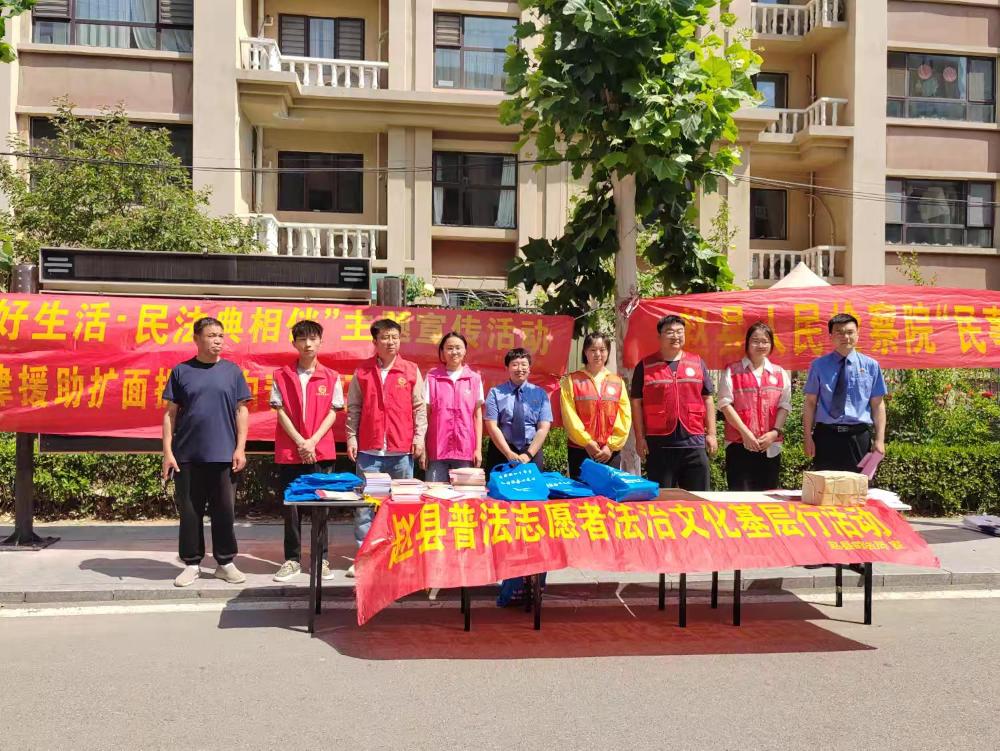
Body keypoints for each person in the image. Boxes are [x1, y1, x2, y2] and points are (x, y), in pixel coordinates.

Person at [162, 316, 252, 588]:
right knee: (190, 513)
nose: (218, 341)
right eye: (212, 335)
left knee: (224, 512)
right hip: (187, 456)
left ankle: (225, 563)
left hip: (224, 454)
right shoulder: (181, 371)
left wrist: (240, 448)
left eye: (221, 336)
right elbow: (170, 414)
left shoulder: (232, 372)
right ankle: (192, 564)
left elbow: (242, 411)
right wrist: (168, 452)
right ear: (196, 339)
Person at [345, 318, 426, 576]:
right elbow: (354, 407)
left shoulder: (410, 370)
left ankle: (400, 555)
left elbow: (419, 408)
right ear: (375, 341)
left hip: (401, 450)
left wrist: (419, 437)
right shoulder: (363, 372)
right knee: (365, 507)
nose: (391, 342)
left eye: (395, 337)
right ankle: (365, 556)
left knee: (402, 505)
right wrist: (351, 437)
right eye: (385, 337)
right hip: (370, 450)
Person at [270, 320, 345, 583]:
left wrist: (312, 441)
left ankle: (320, 559)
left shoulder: (332, 376)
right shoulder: (281, 375)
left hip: (320, 450)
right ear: (294, 343)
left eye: (313, 339)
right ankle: (291, 560)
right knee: (291, 507)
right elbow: (280, 411)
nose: (308, 344)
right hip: (290, 451)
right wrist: (301, 442)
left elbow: (333, 412)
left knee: (321, 508)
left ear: (321, 342)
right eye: (302, 339)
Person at [630, 314, 718, 490]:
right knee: (663, 498)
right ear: (659, 337)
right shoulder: (645, 366)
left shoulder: (697, 362)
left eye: (680, 332)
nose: (675, 336)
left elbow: (708, 399)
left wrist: (712, 434)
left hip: (693, 441)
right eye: (670, 332)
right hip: (660, 443)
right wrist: (640, 438)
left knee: (699, 498)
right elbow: (636, 403)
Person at [803, 313, 887, 472]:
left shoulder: (871, 366)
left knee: (858, 484)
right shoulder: (818, 366)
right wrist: (807, 437)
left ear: (858, 334)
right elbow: (810, 403)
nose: (845, 337)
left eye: (850, 332)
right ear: (830, 336)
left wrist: (880, 439)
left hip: (858, 436)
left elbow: (878, 405)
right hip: (826, 436)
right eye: (839, 332)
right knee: (826, 484)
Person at [717, 322, 792, 491]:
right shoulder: (733, 371)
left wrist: (774, 432)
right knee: (740, 496)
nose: (760, 345)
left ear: (771, 344)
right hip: (739, 443)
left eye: (765, 341)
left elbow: (784, 405)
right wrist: (745, 434)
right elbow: (725, 404)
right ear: (747, 343)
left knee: (768, 496)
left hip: (769, 444)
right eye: (755, 341)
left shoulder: (779, 372)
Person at [559, 332, 632, 479]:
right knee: (581, 491)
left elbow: (624, 416)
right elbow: (569, 415)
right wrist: (587, 442)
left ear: (608, 352)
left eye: (602, 349)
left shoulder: (617, 382)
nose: (598, 354)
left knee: (608, 491)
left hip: (609, 453)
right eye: (593, 350)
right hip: (580, 449)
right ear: (585, 352)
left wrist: (611, 446)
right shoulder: (572, 380)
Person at [422, 331, 484, 482]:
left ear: (465, 350)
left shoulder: (474, 379)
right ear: (442, 351)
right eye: (449, 348)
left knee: (464, 494)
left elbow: (477, 416)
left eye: (458, 348)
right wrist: (423, 448)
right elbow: (424, 415)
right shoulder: (432, 378)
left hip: (465, 448)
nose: (454, 352)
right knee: (435, 492)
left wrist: (478, 449)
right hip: (437, 449)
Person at [484, 347, 553, 476]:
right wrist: (508, 453)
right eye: (515, 364)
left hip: (531, 449)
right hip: (502, 449)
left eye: (524, 364)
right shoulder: (495, 393)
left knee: (532, 487)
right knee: (498, 488)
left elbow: (543, 428)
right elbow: (492, 426)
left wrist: (528, 454)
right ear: (507, 368)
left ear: (529, 368)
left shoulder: (540, 394)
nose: (520, 368)